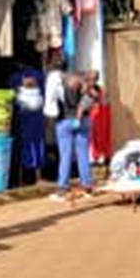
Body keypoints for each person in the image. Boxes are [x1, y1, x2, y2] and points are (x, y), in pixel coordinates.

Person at [47, 70, 96, 201]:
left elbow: (51, 104)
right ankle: (88, 188)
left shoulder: (60, 85)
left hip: (65, 122)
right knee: (83, 155)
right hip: (84, 122)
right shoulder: (87, 88)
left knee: (65, 156)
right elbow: (93, 99)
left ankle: (62, 189)